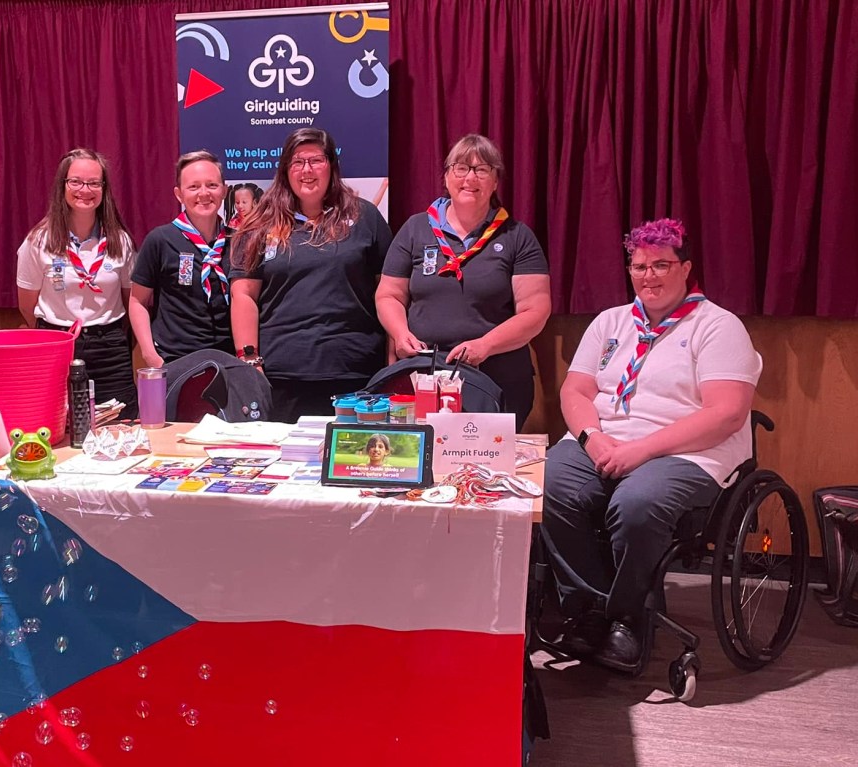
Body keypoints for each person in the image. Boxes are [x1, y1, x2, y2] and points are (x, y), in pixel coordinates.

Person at [540, 218, 762, 672]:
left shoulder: (718, 326)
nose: (649, 276)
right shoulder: (610, 322)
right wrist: (593, 437)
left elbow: (727, 413)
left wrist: (640, 452)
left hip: (689, 450)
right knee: (547, 482)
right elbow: (575, 392)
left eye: (662, 264)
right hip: (606, 440)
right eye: (639, 266)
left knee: (638, 503)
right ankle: (587, 610)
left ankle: (627, 620)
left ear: (686, 268)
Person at [376, 134, 552, 429]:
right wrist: (400, 332)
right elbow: (389, 295)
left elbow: (535, 312)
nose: (471, 177)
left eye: (482, 170)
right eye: (461, 168)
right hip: (424, 377)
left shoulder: (517, 236)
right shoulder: (415, 229)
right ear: (446, 177)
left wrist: (485, 345)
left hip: (497, 379)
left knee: (484, 471)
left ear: (495, 181)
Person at [229, 128, 392, 423]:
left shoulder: (365, 217)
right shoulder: (258, 224)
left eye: (316, 160)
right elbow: (244, 295)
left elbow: (390, 292)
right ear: (285, 170)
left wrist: (391, 359)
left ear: (331, 165)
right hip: (281, 375)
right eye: (297, 162)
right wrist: (249, 361)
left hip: (355, 372)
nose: (307, 170)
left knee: (352, 465)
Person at [17, 147, 138, 416]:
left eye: (94, 183)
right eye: (76, 182)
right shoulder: (39, 240)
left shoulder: (120, 240)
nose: (85, 190)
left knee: (121, 422)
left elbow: (132, 302)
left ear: (104, 189)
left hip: (110, 349)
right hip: (57, 344)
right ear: (63, 186)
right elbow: (27, 305)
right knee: (58, 423)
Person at [129, 151, 235, 369]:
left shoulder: (239, 241)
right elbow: (137, 301)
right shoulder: (160, 240)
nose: (204, 194)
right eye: (194, 187)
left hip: (228, 360)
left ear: (224, 190)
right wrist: (150, 355)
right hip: (175, 360)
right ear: (179, 194)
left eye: (212, 185)